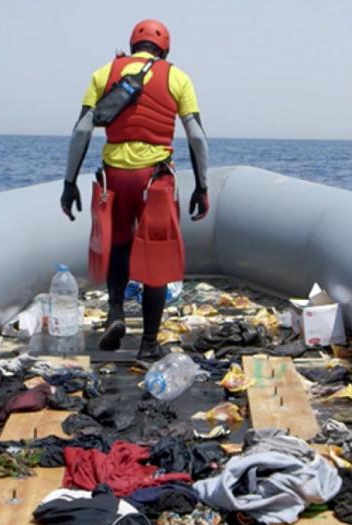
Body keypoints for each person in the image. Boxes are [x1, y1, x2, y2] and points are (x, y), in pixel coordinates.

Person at [60, 18, 209, 360]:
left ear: (132, 45)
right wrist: (201, 187)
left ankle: (115, 314)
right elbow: (197, 137)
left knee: (119, 246)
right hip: (155, 180)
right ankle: (148, 344)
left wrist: (69, 183)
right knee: (155, 259)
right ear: (164, 48)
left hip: (114, 178)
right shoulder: (177, 76)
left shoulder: (104, 73)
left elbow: (82, 131)